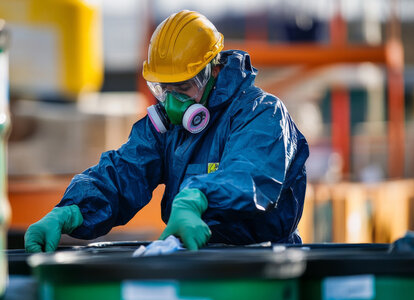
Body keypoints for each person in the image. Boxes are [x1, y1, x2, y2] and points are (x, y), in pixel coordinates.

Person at [24, 10, 309, 253]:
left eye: (183, 87)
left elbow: (249, 174)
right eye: (163, 89)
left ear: (214, 71)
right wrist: (71, 210)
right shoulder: (166, 128)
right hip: (195, 263)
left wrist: (196, 197)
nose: (172, 102)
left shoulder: (261, 114)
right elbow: (124, 172)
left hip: (263, 266)